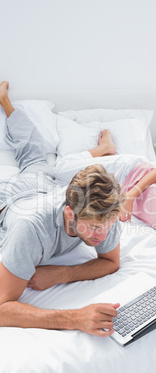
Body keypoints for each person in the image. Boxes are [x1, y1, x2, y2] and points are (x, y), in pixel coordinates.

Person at [0, 81, 124, 337]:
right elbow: (2, 308)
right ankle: (5, 101)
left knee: (35, 153)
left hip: (45, 185)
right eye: (94, 227)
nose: (103, 235)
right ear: (70, 214)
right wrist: (74, 318)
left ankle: (6, 103)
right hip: (14, 200)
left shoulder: (105, 210)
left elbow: (111, 262)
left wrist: (63, 274)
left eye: (108, 225)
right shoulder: (30, 229)